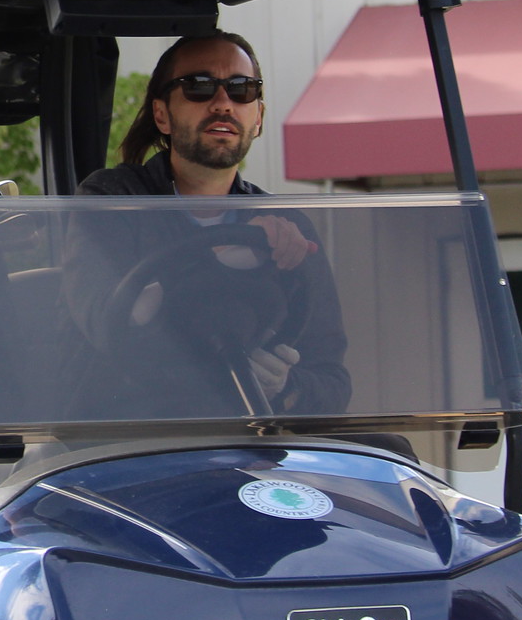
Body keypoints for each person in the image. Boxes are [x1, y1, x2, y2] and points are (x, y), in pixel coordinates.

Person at [76, 29, 349, 414]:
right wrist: (231, 252)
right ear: (161, 114)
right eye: (199, 87)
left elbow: (332, 383)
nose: (223, 103)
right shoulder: (113, 200)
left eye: (242, 89)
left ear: (258, 118)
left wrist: (286, 386)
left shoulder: (288, 226)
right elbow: (110, 318)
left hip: (247, 446)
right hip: (122, 446)